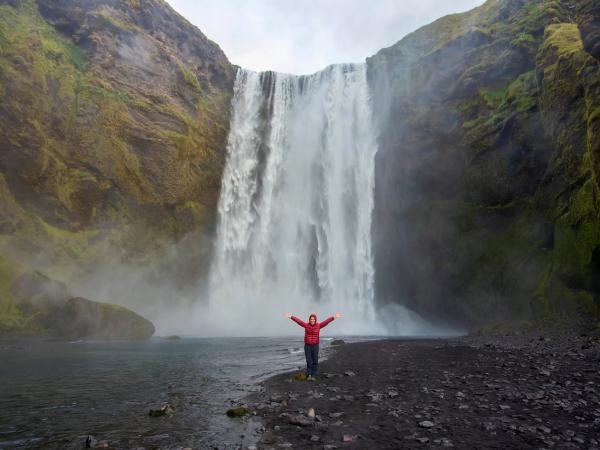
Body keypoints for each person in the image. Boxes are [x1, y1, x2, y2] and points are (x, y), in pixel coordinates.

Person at [285, 311, 342, 381]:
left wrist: (334, 317)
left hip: (315, 346)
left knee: (315, 360)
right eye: (311, 319)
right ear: (309, 320)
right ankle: (309, 374)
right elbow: (299, 321)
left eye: (313, 319)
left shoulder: (319, 326)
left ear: (315, 320)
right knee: (309, 361)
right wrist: (291, 317)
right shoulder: (306, 325)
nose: (312, 320)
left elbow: (326, 322)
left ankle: (313, 374)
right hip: (307, 346)